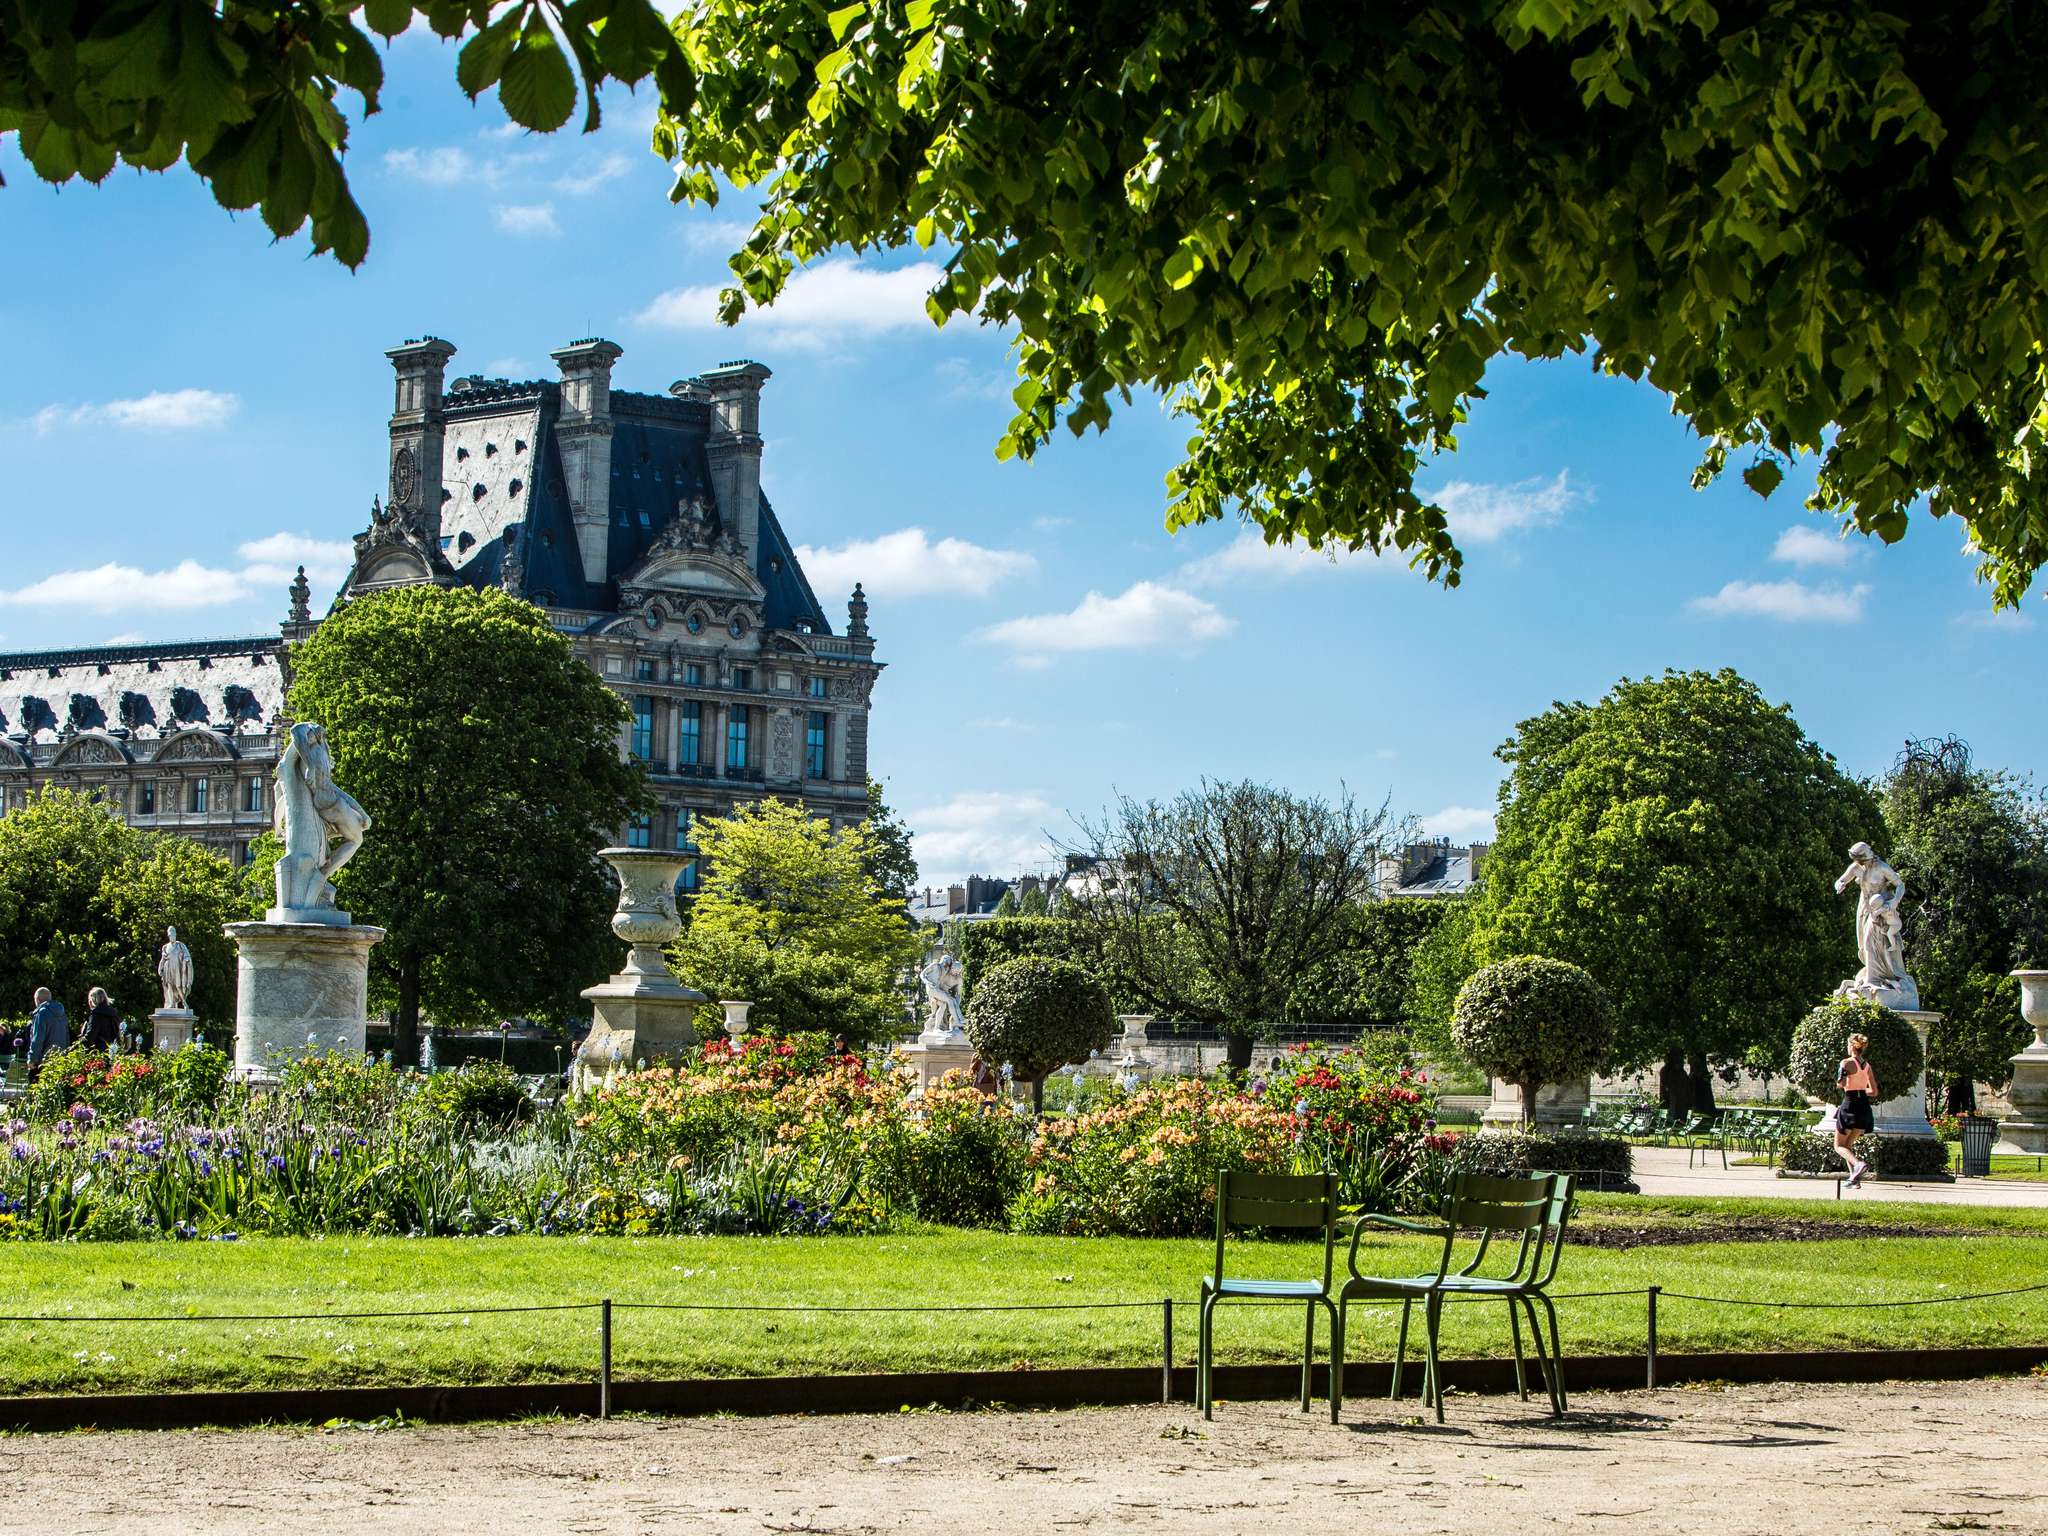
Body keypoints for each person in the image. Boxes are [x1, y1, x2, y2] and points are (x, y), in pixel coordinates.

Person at [1835, 1031, 1880, 1187]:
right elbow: (1874, 1091)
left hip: (1850, 1104)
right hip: (1864, 1108)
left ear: (1852, 1046)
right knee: (1848, 1146)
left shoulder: (1846, 1063)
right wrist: (1860, 1089)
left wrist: (1847, 1082)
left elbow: (1840, 1083)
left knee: (1839, 1146)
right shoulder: (1867, 1066)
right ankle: (1854, 1180)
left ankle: (1858, 1164)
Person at [26, 987, 69, 1080]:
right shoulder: (63, 1014)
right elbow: (67, 1038)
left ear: (37, 999)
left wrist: (32, 1059)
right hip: (59, 1060)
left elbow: (37, 1039)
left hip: (43, 1061)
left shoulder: (42, 1013)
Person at [79, 987, 121, 1053]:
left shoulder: (96, 1016)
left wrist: (79, 1047)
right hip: (113, 1050)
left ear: (92, 1000)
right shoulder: (113, 1014)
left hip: (98, 1053)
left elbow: (90, 1037)